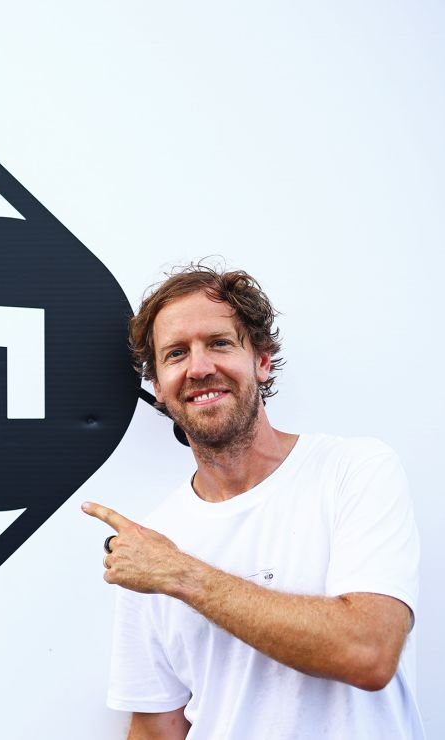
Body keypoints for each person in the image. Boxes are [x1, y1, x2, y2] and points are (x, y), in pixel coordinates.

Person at [82, 264, 423, 739]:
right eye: (176, 353)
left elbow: (368, 652)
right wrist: (162, 566)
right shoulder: (149, 546)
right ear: (158, 387)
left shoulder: (354, 469)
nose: (199, 368)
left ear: (261, 360)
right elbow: (157, 727)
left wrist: (179, 574)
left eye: (220, 343)